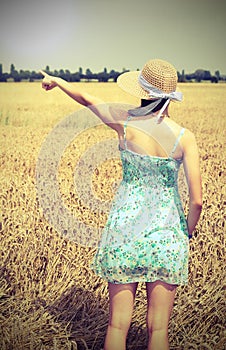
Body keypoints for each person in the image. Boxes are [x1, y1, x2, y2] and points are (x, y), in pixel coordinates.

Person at [40, 58, 202, 350]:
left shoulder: (125, 121)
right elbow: (198, 201)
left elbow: (88, 99)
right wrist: (186, 232)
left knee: (117, 325)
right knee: (159, 330)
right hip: (167, 236)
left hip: (124, 232)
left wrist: (58, 81)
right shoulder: (184, 137)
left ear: (142, 90)